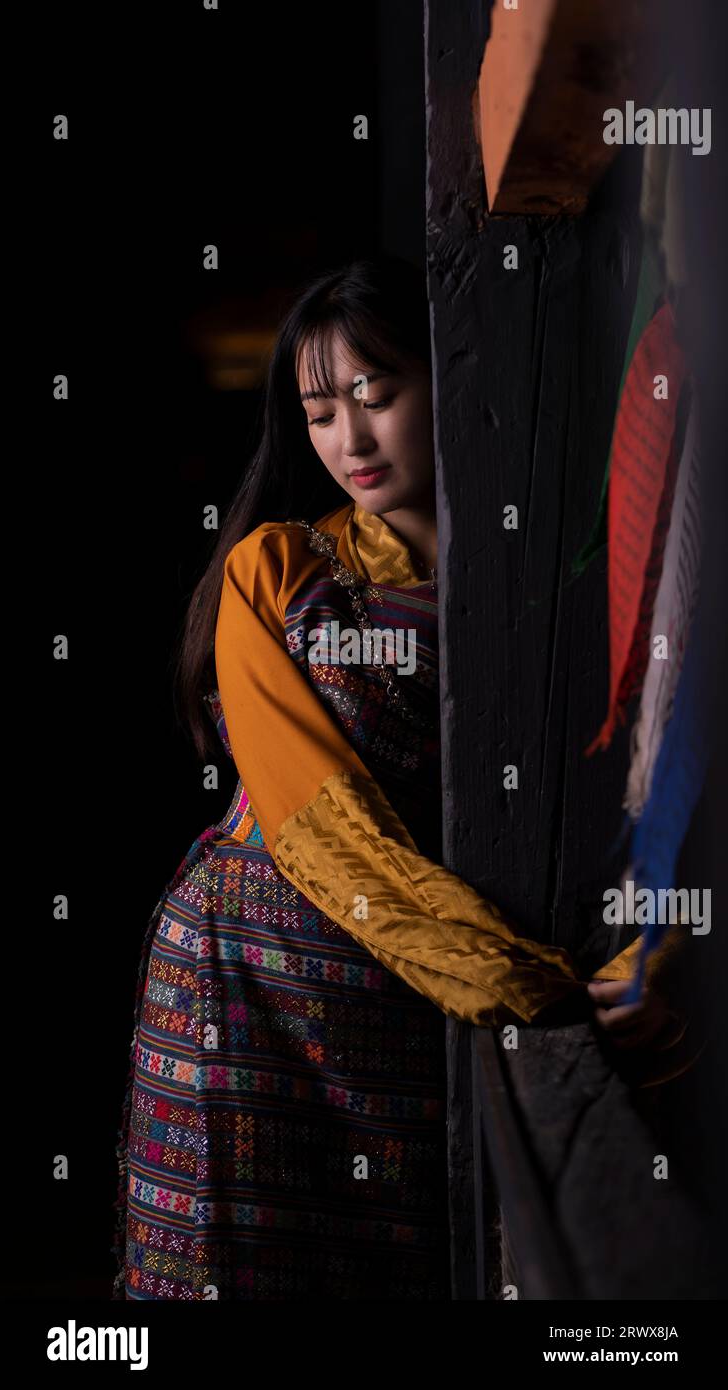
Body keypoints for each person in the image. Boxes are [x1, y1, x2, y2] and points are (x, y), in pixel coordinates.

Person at [111, 254, 695, 1302]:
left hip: (396, 992)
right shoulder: (276, 569)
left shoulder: (543, 577)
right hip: (246, 972)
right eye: (320, 412)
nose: (350, 440)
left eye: (376, 397)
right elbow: (316, 823)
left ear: (447, 375)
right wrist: (521, 982)